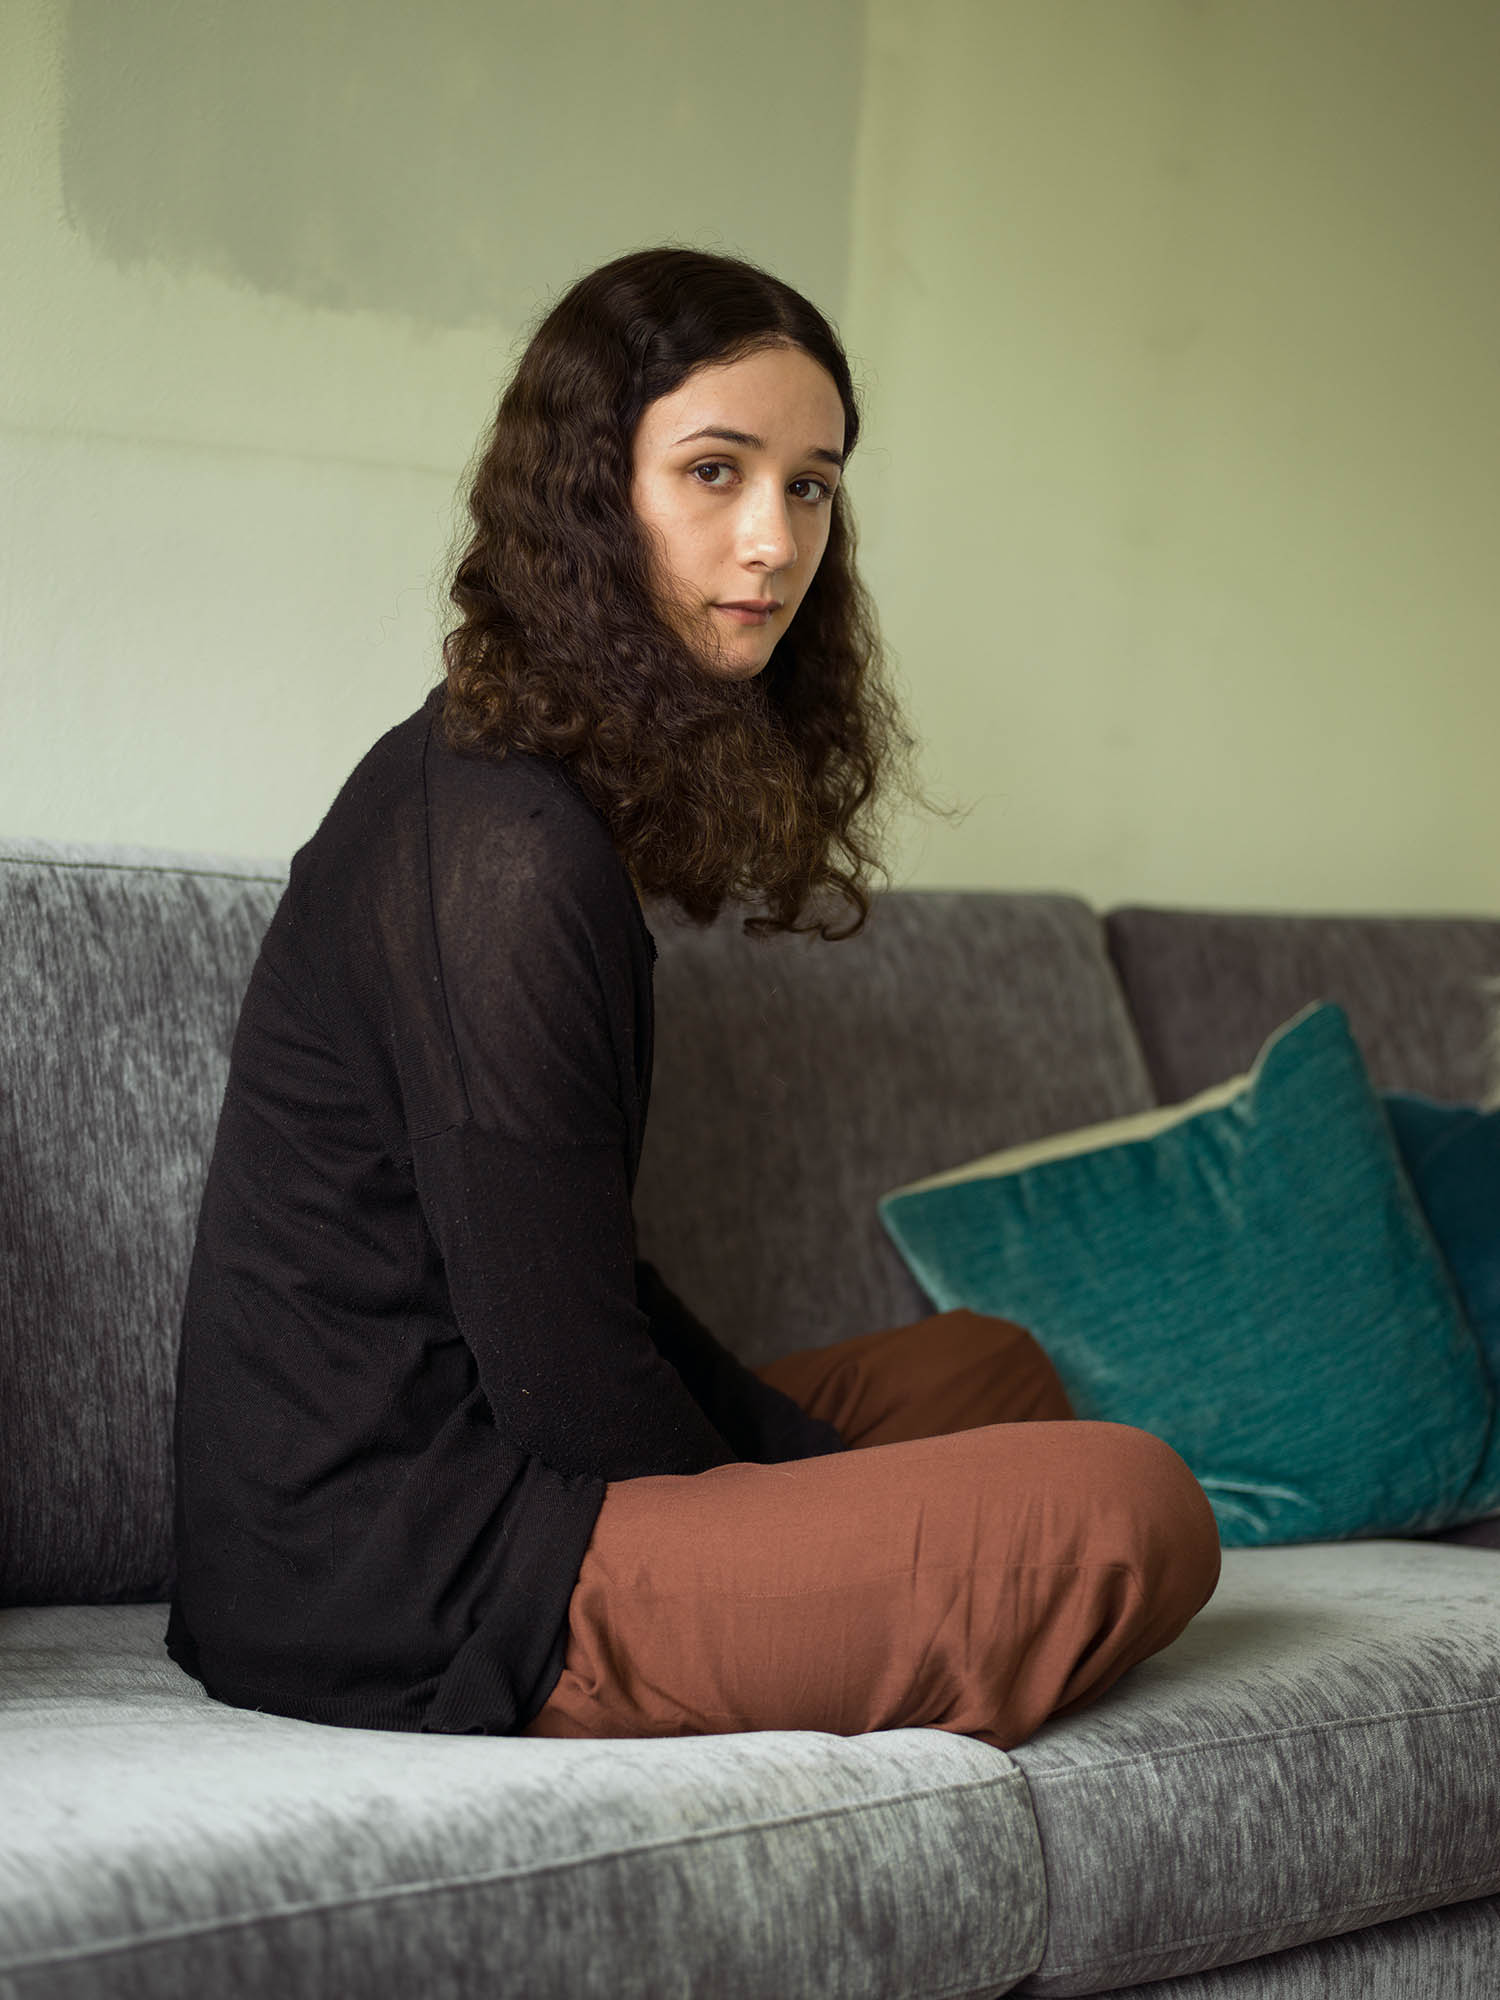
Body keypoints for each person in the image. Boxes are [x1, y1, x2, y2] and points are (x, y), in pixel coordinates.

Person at [165, 245, 1220, 1748]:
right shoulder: (507, 856)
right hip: (413, 1570)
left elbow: (591, 1277)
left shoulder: (535, 796)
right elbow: (568, 1392)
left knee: (992, 1364)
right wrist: (798, 1503)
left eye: (810, 485)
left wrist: (808, 1476)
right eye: (715, 471)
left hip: (502, 1465)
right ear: (594, 495)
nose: (774, 542)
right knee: (1132, 1503)